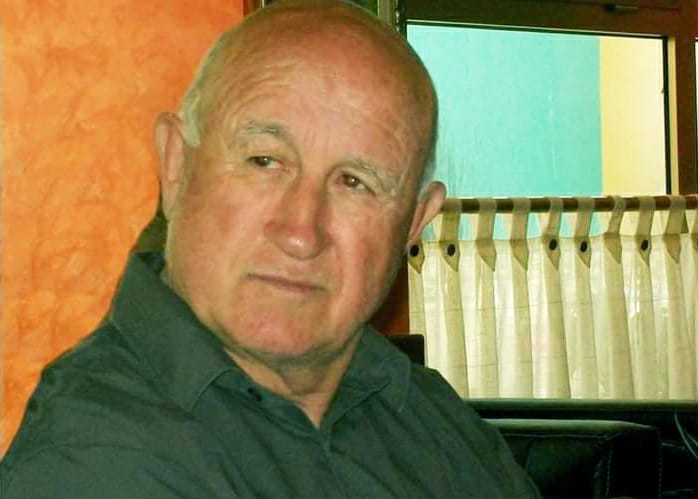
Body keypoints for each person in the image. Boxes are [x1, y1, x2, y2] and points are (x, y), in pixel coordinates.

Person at [1, 1, 540, 497]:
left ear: (415, 223)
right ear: (176, 166)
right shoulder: (95, 460)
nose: (301, 232)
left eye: (354, 183)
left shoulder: (429, 415)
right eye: (264, 161)